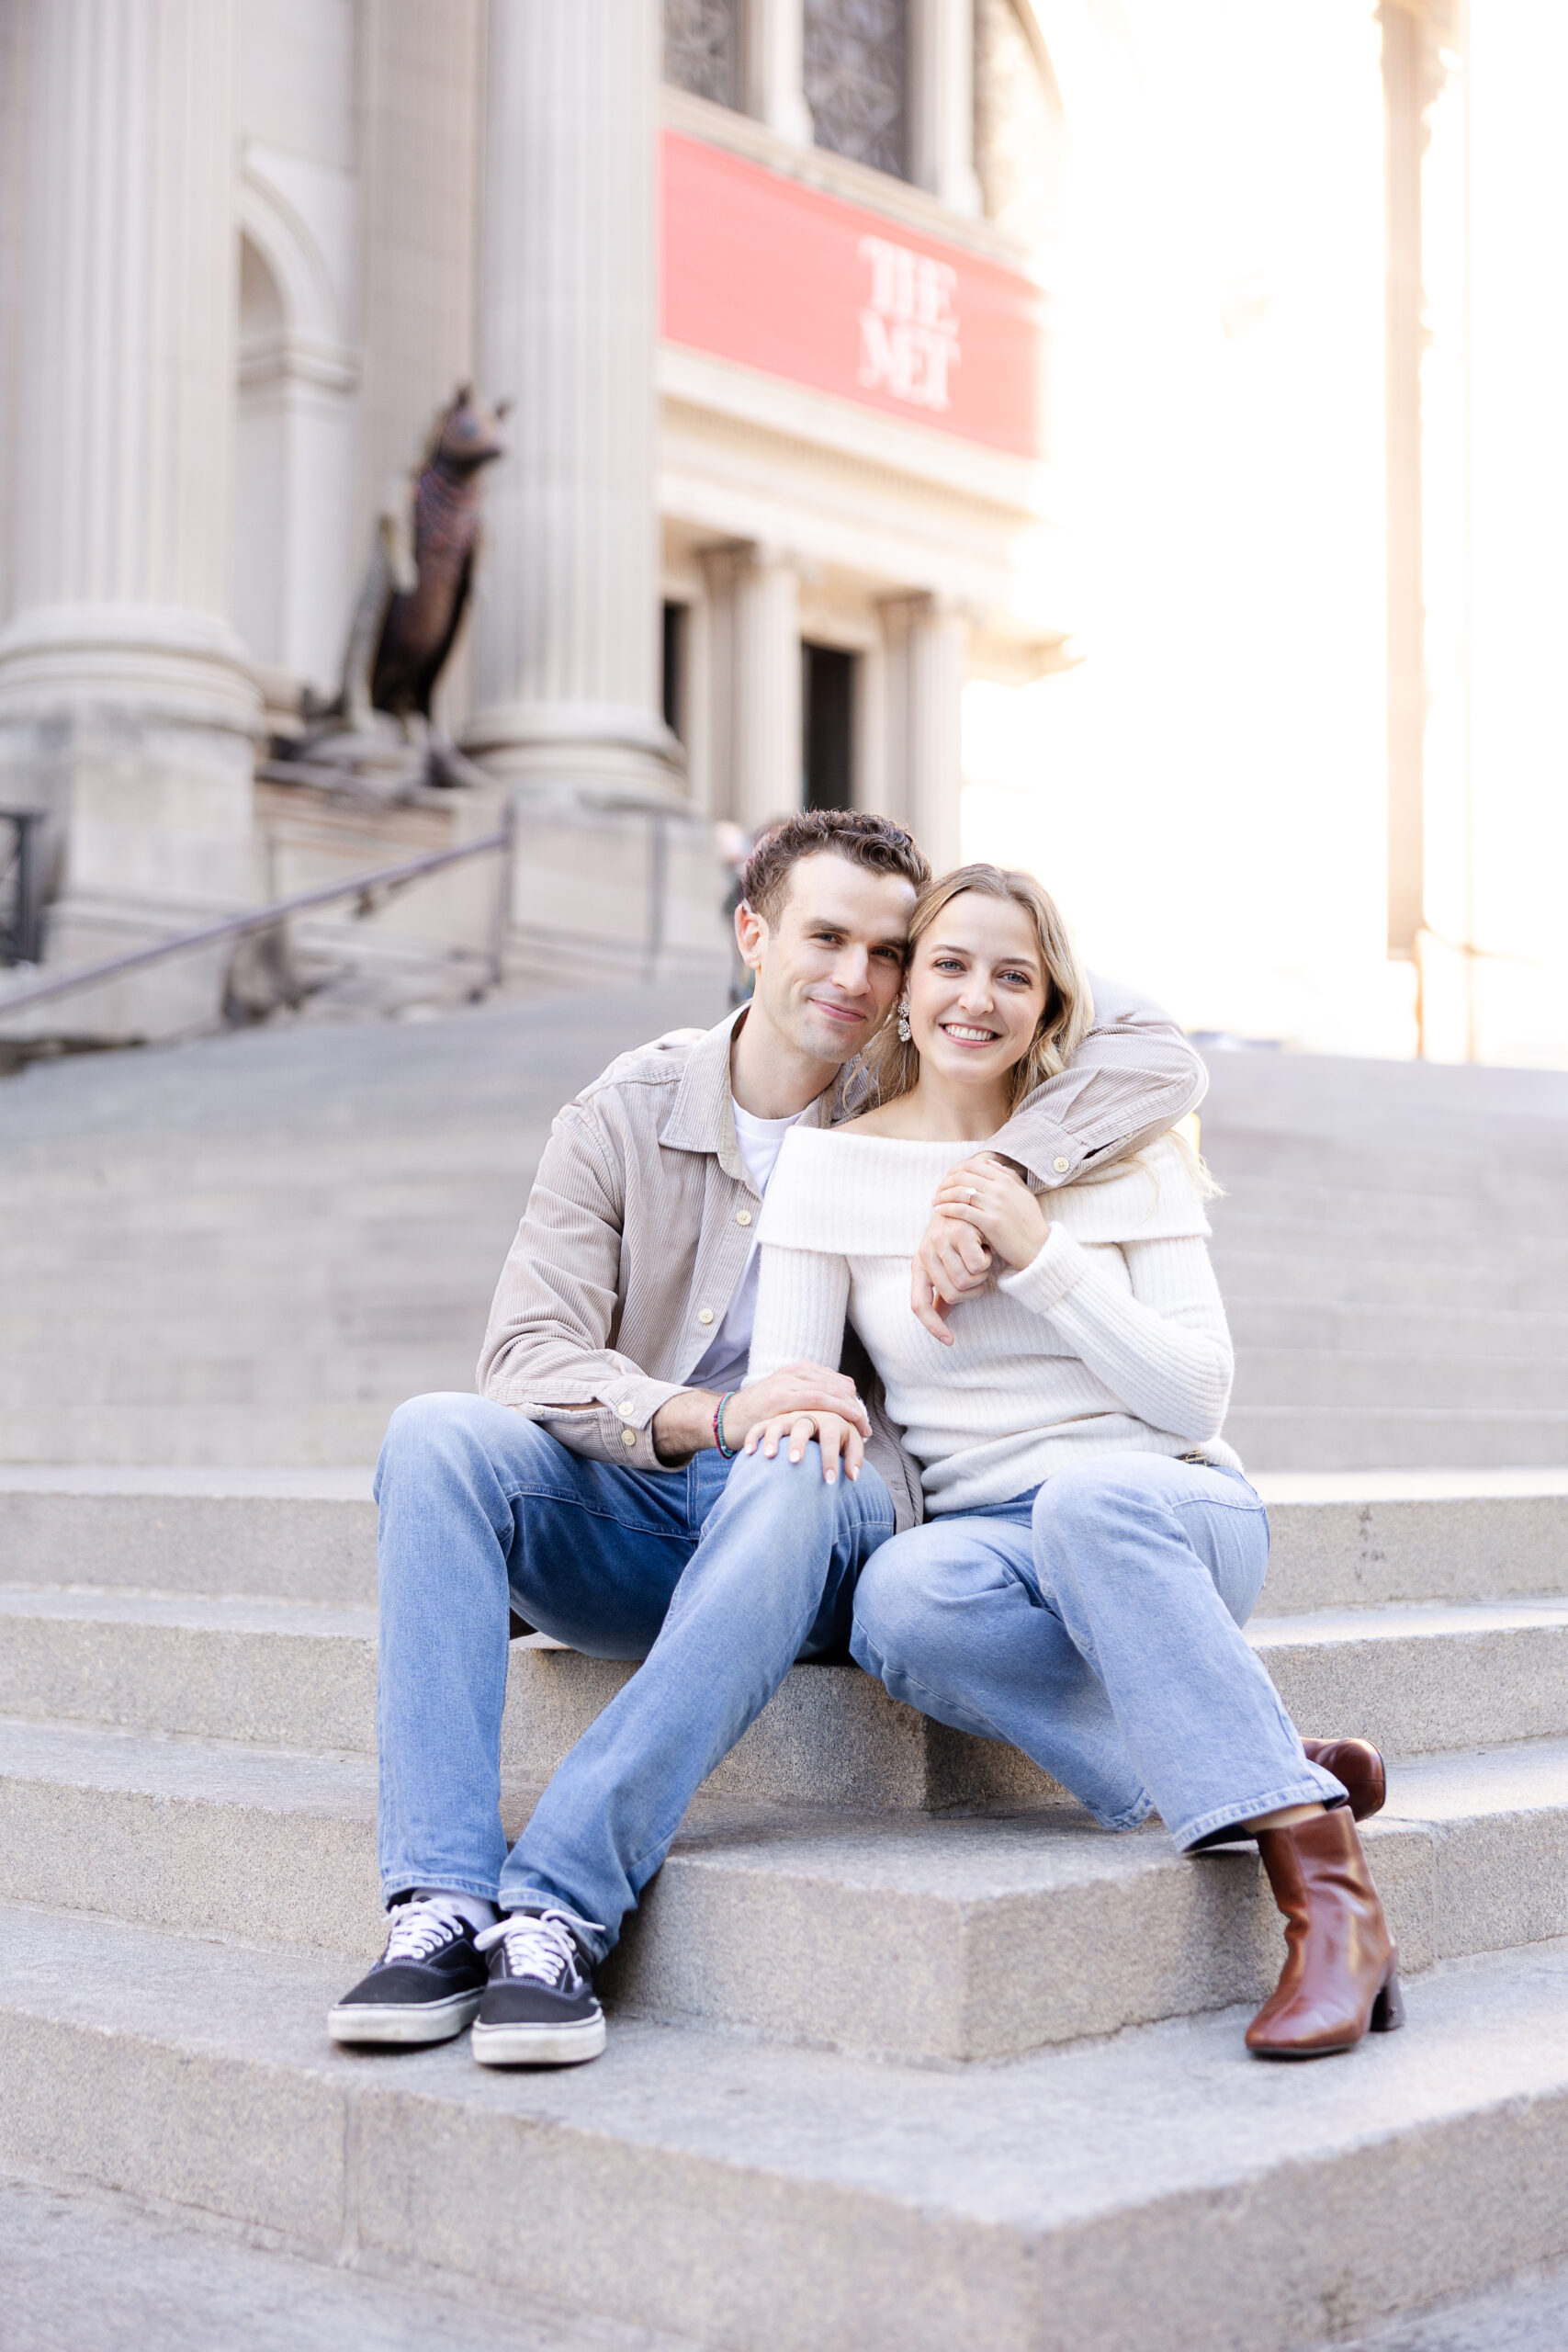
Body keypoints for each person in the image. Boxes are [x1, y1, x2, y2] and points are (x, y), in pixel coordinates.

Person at [328, 810, 1212, 2066]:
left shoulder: (914, 1094)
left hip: (824, 1521)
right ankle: (438, 1904)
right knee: (434, 1436)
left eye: (890, 950)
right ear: (752, 934)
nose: (858, 978)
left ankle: (562, 1907)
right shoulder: (625, 1110)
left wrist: (995, 1178)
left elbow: (1160, 1055)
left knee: (797, 1459)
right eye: (826, 937)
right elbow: (524, 1359)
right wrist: (707, 1416)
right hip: (653, 1506)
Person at [742, 862, 1399, 2061]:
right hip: (988, 1538)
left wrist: (1039, 1250)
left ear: (1053, 1008)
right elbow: (795, 1381)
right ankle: (1257, 1755)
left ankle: (1331, 1903)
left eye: (1015, 976)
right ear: (903, 993)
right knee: (901, 1603)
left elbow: (1195, 1392)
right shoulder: (829, 1167)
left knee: (1093, 1498)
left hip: (1168, 1510)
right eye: (947, 965)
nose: (975, 999)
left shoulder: (1122, 1154)